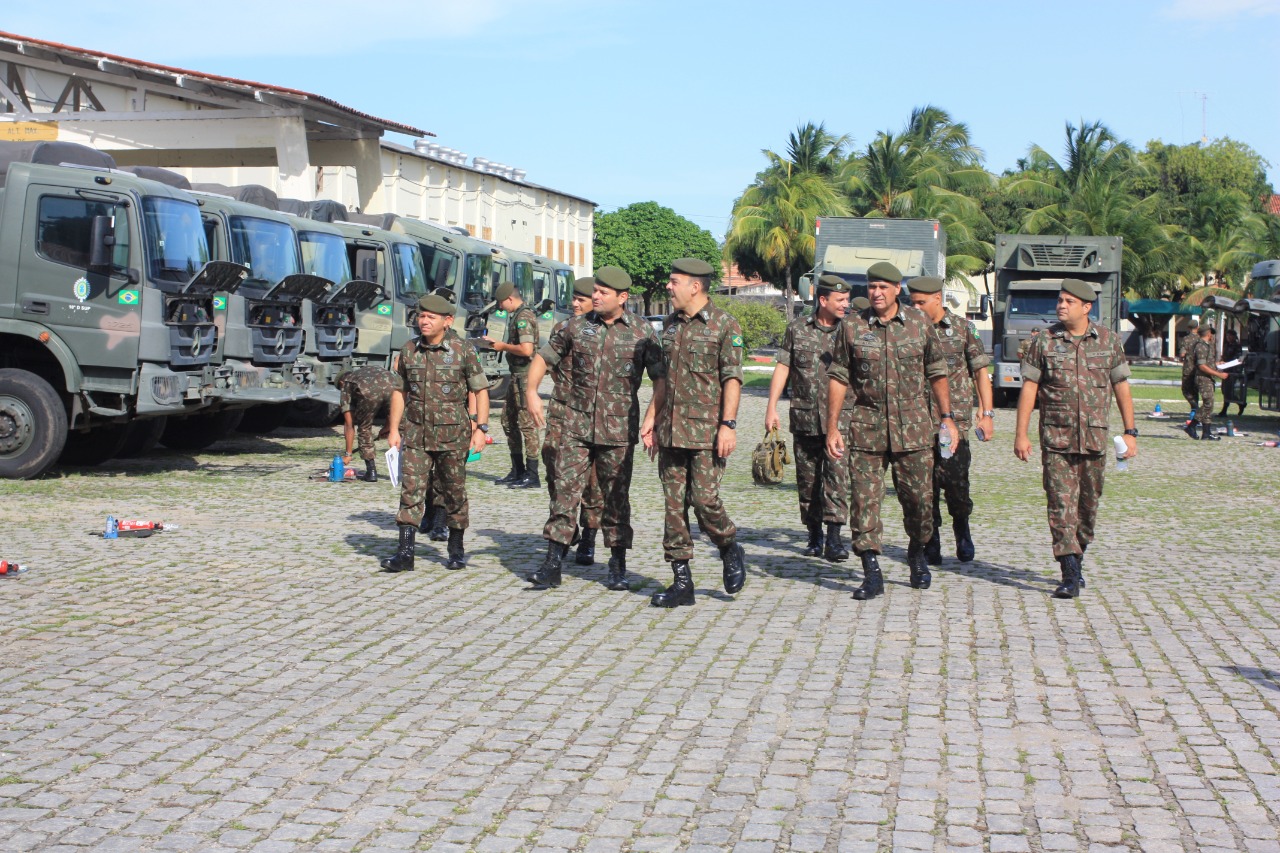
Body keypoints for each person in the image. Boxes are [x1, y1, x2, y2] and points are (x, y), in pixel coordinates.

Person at [525, 266, 665, 591]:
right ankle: (552, 563)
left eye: (603, 292)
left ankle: (617, 565)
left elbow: (661, 379)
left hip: (618, 431)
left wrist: (651, 418)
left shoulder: (643, 332)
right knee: (564, 493)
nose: (596, 296)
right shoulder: (576, 327)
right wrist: (532, 391)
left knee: (616, 498)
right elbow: (544, 358)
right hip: (575, 426)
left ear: (622, 297)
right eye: (595, 291)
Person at [825, 261, 959, 601]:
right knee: (863, 502)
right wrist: (832, 427)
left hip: (913, 429)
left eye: (884, 287)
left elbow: (937, 371)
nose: (877, 292)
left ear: (898, 289)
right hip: (867, 428)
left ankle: (917, 552)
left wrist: (947, 417)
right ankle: (871, 570)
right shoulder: (852, 326)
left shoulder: (918, 324)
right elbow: (839, 376)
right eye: (872, 287)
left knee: (919, 502)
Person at [1014, 278, 1138, 599]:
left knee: (1087, 508)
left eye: (1069, 301)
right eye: (1060, 300)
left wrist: (1130, 430)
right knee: (1060, 505)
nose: (1061, 306)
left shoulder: (1109, 341)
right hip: (1056, 439)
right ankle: (1069, 572)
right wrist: (1021, 434)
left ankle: (1078, 556)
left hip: (1094, 439)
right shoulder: (1043, 341)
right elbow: (1029, 389)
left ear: (1086, 307)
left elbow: (1121, 387)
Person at [641, 257, 746, 607]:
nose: (669, 287)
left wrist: (728, 425)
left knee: (704, 500)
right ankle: (681, 581)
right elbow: (662, 380)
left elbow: (732, 379)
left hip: (705, 432)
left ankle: (728, 545)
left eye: (674, 281)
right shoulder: (669, 325)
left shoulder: (724, 325)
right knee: (673, 506)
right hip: (671, 431)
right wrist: (650, 420)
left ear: (695, 286)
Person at [381, 293, 490, 573]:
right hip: (416, 434)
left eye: (431, 317)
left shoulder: (462, 350)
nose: (424, 321)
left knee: (454, 492)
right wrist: (394, 429)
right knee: (411, 492)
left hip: (453, 436)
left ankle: (456, 549)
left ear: (448, 321)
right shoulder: (409, 350)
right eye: (421, 316)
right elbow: (399, 391)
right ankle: (405, 553)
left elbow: (480, 390)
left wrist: (481, 428)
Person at [765, 273, 854, 561]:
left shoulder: (852, 330)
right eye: (840, 300)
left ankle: (835, 538)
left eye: (847, 299)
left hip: (841, 419)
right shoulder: (797, 329)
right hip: (804, 417)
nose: (845, 305)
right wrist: (771, 406)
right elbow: (783, 367)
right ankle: (814, 535)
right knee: (808, 479)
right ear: (823, 299)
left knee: (837, 477)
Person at [907, 276, 995, 564]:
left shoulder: (962, 329)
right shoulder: (907, 329)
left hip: (954, 422)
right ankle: (931, 539)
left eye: (921, 302)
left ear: (937, 299)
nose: (915, 307)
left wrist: (987, 413)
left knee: (956, 484)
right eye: (912, 302)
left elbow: (980, 371)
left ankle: (962, 527)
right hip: (916, 419)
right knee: (924, 486)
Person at [540, 276, 604, 564]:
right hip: (561, 409)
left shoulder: (604, 331)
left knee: (593, 478)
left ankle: (589, 537)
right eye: (574, 299)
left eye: (582, 299)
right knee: (554, 466)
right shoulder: (563, 328)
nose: (576, 304)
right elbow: (549, 363)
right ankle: (567, 527)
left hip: (592, 414)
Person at [484, 281, 541, 489]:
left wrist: (502, 346)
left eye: (501, 303)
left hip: (525, 377)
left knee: (527, 425)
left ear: (510, 299)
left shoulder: (523, 317)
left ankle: (532, 474)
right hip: (515, 376)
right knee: (508, 421)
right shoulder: (516, 315)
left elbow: (526, 350)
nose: (501, 307)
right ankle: (517, 469)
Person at [337, 365, 396, 482]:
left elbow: (349, 424)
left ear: (340, 382)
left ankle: (371, 472)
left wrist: (348, 454)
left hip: (367, 391)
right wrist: (388, 427)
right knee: (400, 425)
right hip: (392, 384)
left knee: (364, 428)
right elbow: (392, 412)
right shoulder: (366, 371)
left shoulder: (346, 383)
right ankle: (407, 470)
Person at [1185, 325, 1228, 441]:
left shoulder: (1206, 346)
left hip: (1208, 378)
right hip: (1203, 378)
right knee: (1208, 404)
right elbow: (1201, 366)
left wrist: (1218, 364)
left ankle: (1206, 432)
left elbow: (1207, 363)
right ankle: (1192, 425)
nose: (1212, 336)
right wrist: (1218, 374)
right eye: (1211, 334)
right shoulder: (1201, 346)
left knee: (1209, 404)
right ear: (1208, 334)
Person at [1218, 328, 1247, 418]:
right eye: (1227, 335)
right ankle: (1241, 404)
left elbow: (1236, 358)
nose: (1228, 337)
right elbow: (1225, 356)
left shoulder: (1237, 346)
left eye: (1230, 335)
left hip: (1233, 371)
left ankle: (1224, 410)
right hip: (1226, 370)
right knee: (1225, 391)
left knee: (1228, 391)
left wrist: (1227, 363)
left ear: (1234, 337)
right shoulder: (1227, 345)